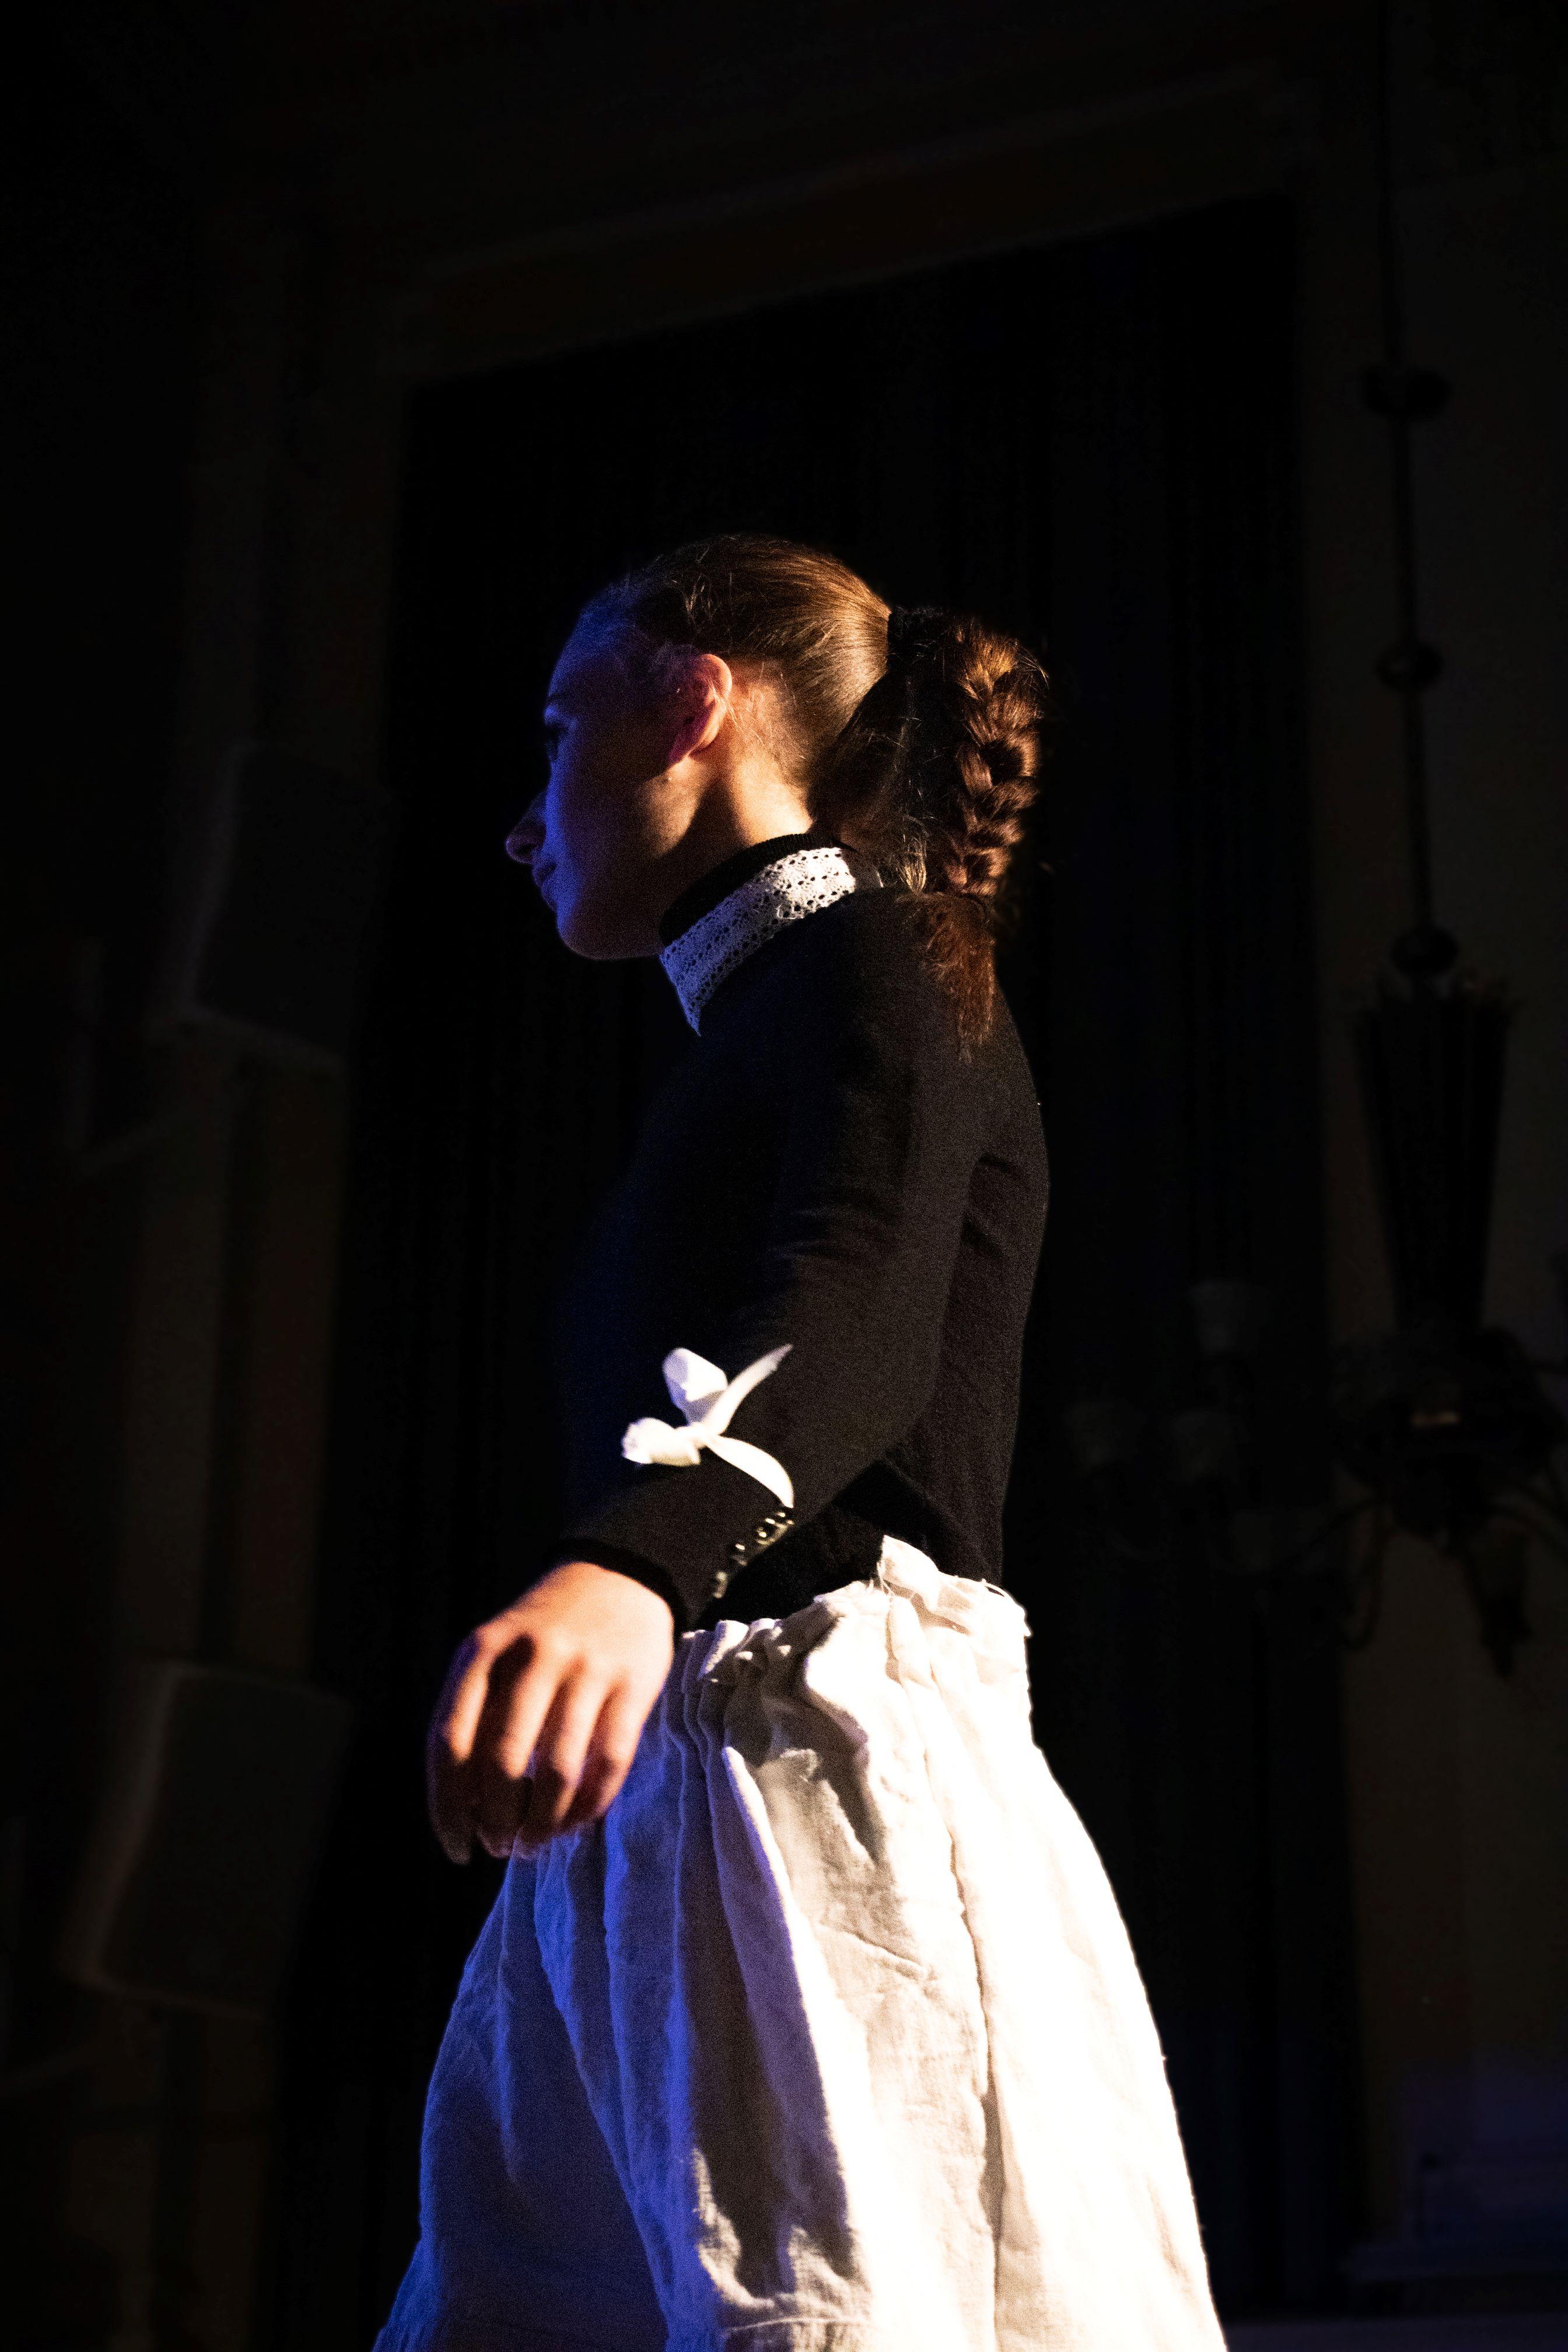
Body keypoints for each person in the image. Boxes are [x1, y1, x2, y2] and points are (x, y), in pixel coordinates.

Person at [377, 534, 1224, 2352]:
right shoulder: (773, 1022)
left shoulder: (887, 966)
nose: (524, 820)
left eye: (558, 731)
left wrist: (627, 1564)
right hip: (668, 1782)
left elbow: (855, 1306)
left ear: (693, 700)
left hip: (815, 1770)